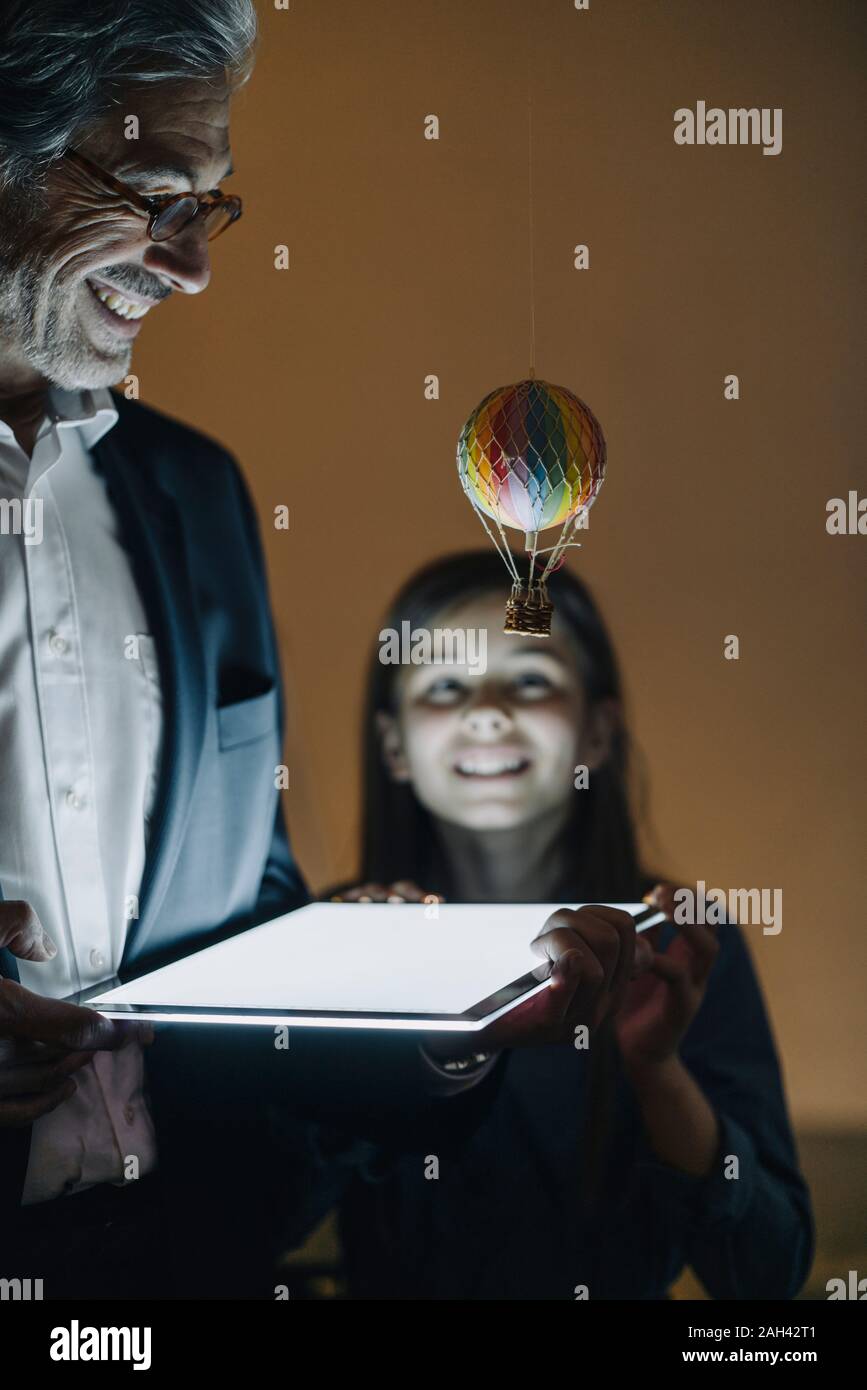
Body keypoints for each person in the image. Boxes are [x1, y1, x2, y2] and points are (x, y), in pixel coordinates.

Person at [0, 3, 626, 1300]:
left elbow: (239, 930)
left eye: (209, 207)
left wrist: (429, 1016)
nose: (192, 265)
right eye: (160, 196)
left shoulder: (204, 498)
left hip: (189, 1261)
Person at [334, 551, 815, 1300]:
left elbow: (764, 1275)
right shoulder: (336, 938)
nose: (486, 710)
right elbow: (256, 1220)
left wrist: (656, 1071)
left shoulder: (676, 944)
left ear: (597, 732)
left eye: (529, 679)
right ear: (393, 744)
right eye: (444, 684)